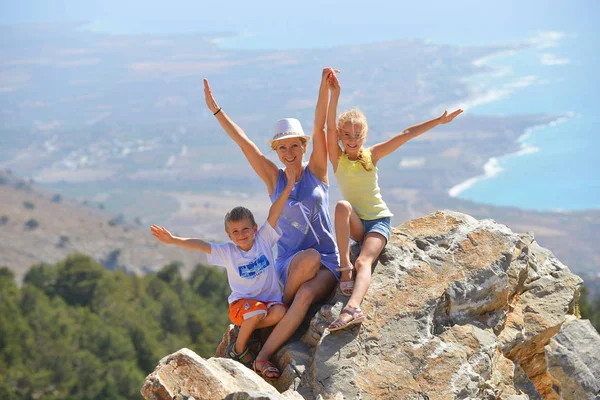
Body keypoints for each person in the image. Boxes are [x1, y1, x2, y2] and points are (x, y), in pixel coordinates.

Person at [203, 68, 340, 378]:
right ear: (276, 152)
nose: (289, 152)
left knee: (308, 289)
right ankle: (274, 315)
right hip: (289, 266)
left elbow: (319, 127)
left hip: (328, 261)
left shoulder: (316, 171)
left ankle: (262, 353)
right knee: (306, 264)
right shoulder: (274, 179)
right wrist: (216, 111)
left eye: (294, 145)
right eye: (282, 147)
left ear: (303, 147)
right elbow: (245, 144)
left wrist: (326, 89)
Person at [326, 71, 463, 331]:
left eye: (357, 136)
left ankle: (352, 308)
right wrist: (335, 95)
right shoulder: (337, 158)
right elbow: (327, 126)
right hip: (356, 224)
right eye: (347, 135)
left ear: (363, 137)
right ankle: (344, 269)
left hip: (378, 222)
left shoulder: (372, 155)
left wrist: (438, 121)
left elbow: (406, 134)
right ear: (340, 136)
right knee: (342, 206)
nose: (352, 141)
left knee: (364, 262)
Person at [149, 167, 295, 367]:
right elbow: (201, 245)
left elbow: (275, 212)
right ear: (229, 236)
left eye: (245, 229)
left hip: (268, 304)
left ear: (254, 229)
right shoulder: (228, 252)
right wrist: (174, 240)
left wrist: (288, 188)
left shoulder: (263, 239)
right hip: (241, 306)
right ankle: (238, 350)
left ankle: (248, 331)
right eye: (235, 231)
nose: (241, 234)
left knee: (280, 313)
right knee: (257, 311)